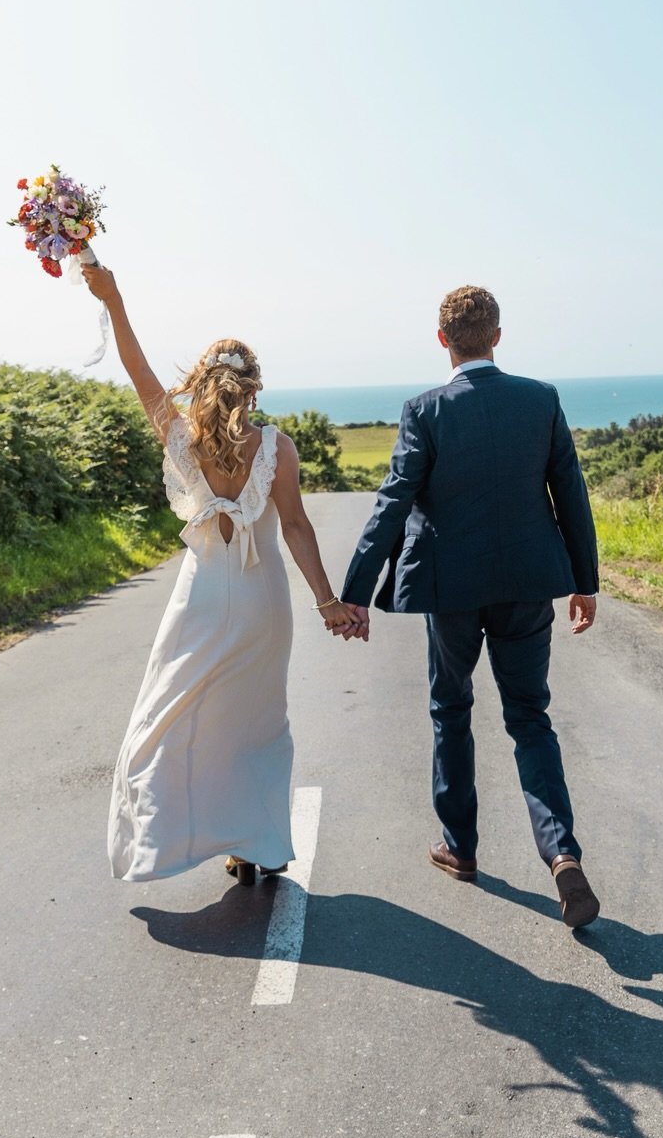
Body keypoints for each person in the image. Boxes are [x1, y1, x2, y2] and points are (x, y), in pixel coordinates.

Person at [82, 262, 360, 885]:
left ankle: (173, 839)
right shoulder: (277, 447)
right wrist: (328, 601)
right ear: (253, 390)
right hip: (265, 603)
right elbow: (296, 527)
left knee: (172, 719)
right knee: (257, 725)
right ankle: (258, 842)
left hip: (201, 598)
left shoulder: (179, 436)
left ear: (200, 385)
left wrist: (114, 299)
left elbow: (136, 369)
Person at [337, 285, 602, 929]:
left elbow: (394, 502)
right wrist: (584, 581)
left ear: (442, 340)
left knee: (450, 709)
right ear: (498, 337)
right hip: (527, 584)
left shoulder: (425, 409)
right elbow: (569, 490)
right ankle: (561, 853)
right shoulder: (541, 399)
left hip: (448, 590)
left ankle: (460, 849)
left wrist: (355, 593)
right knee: (530, 718)